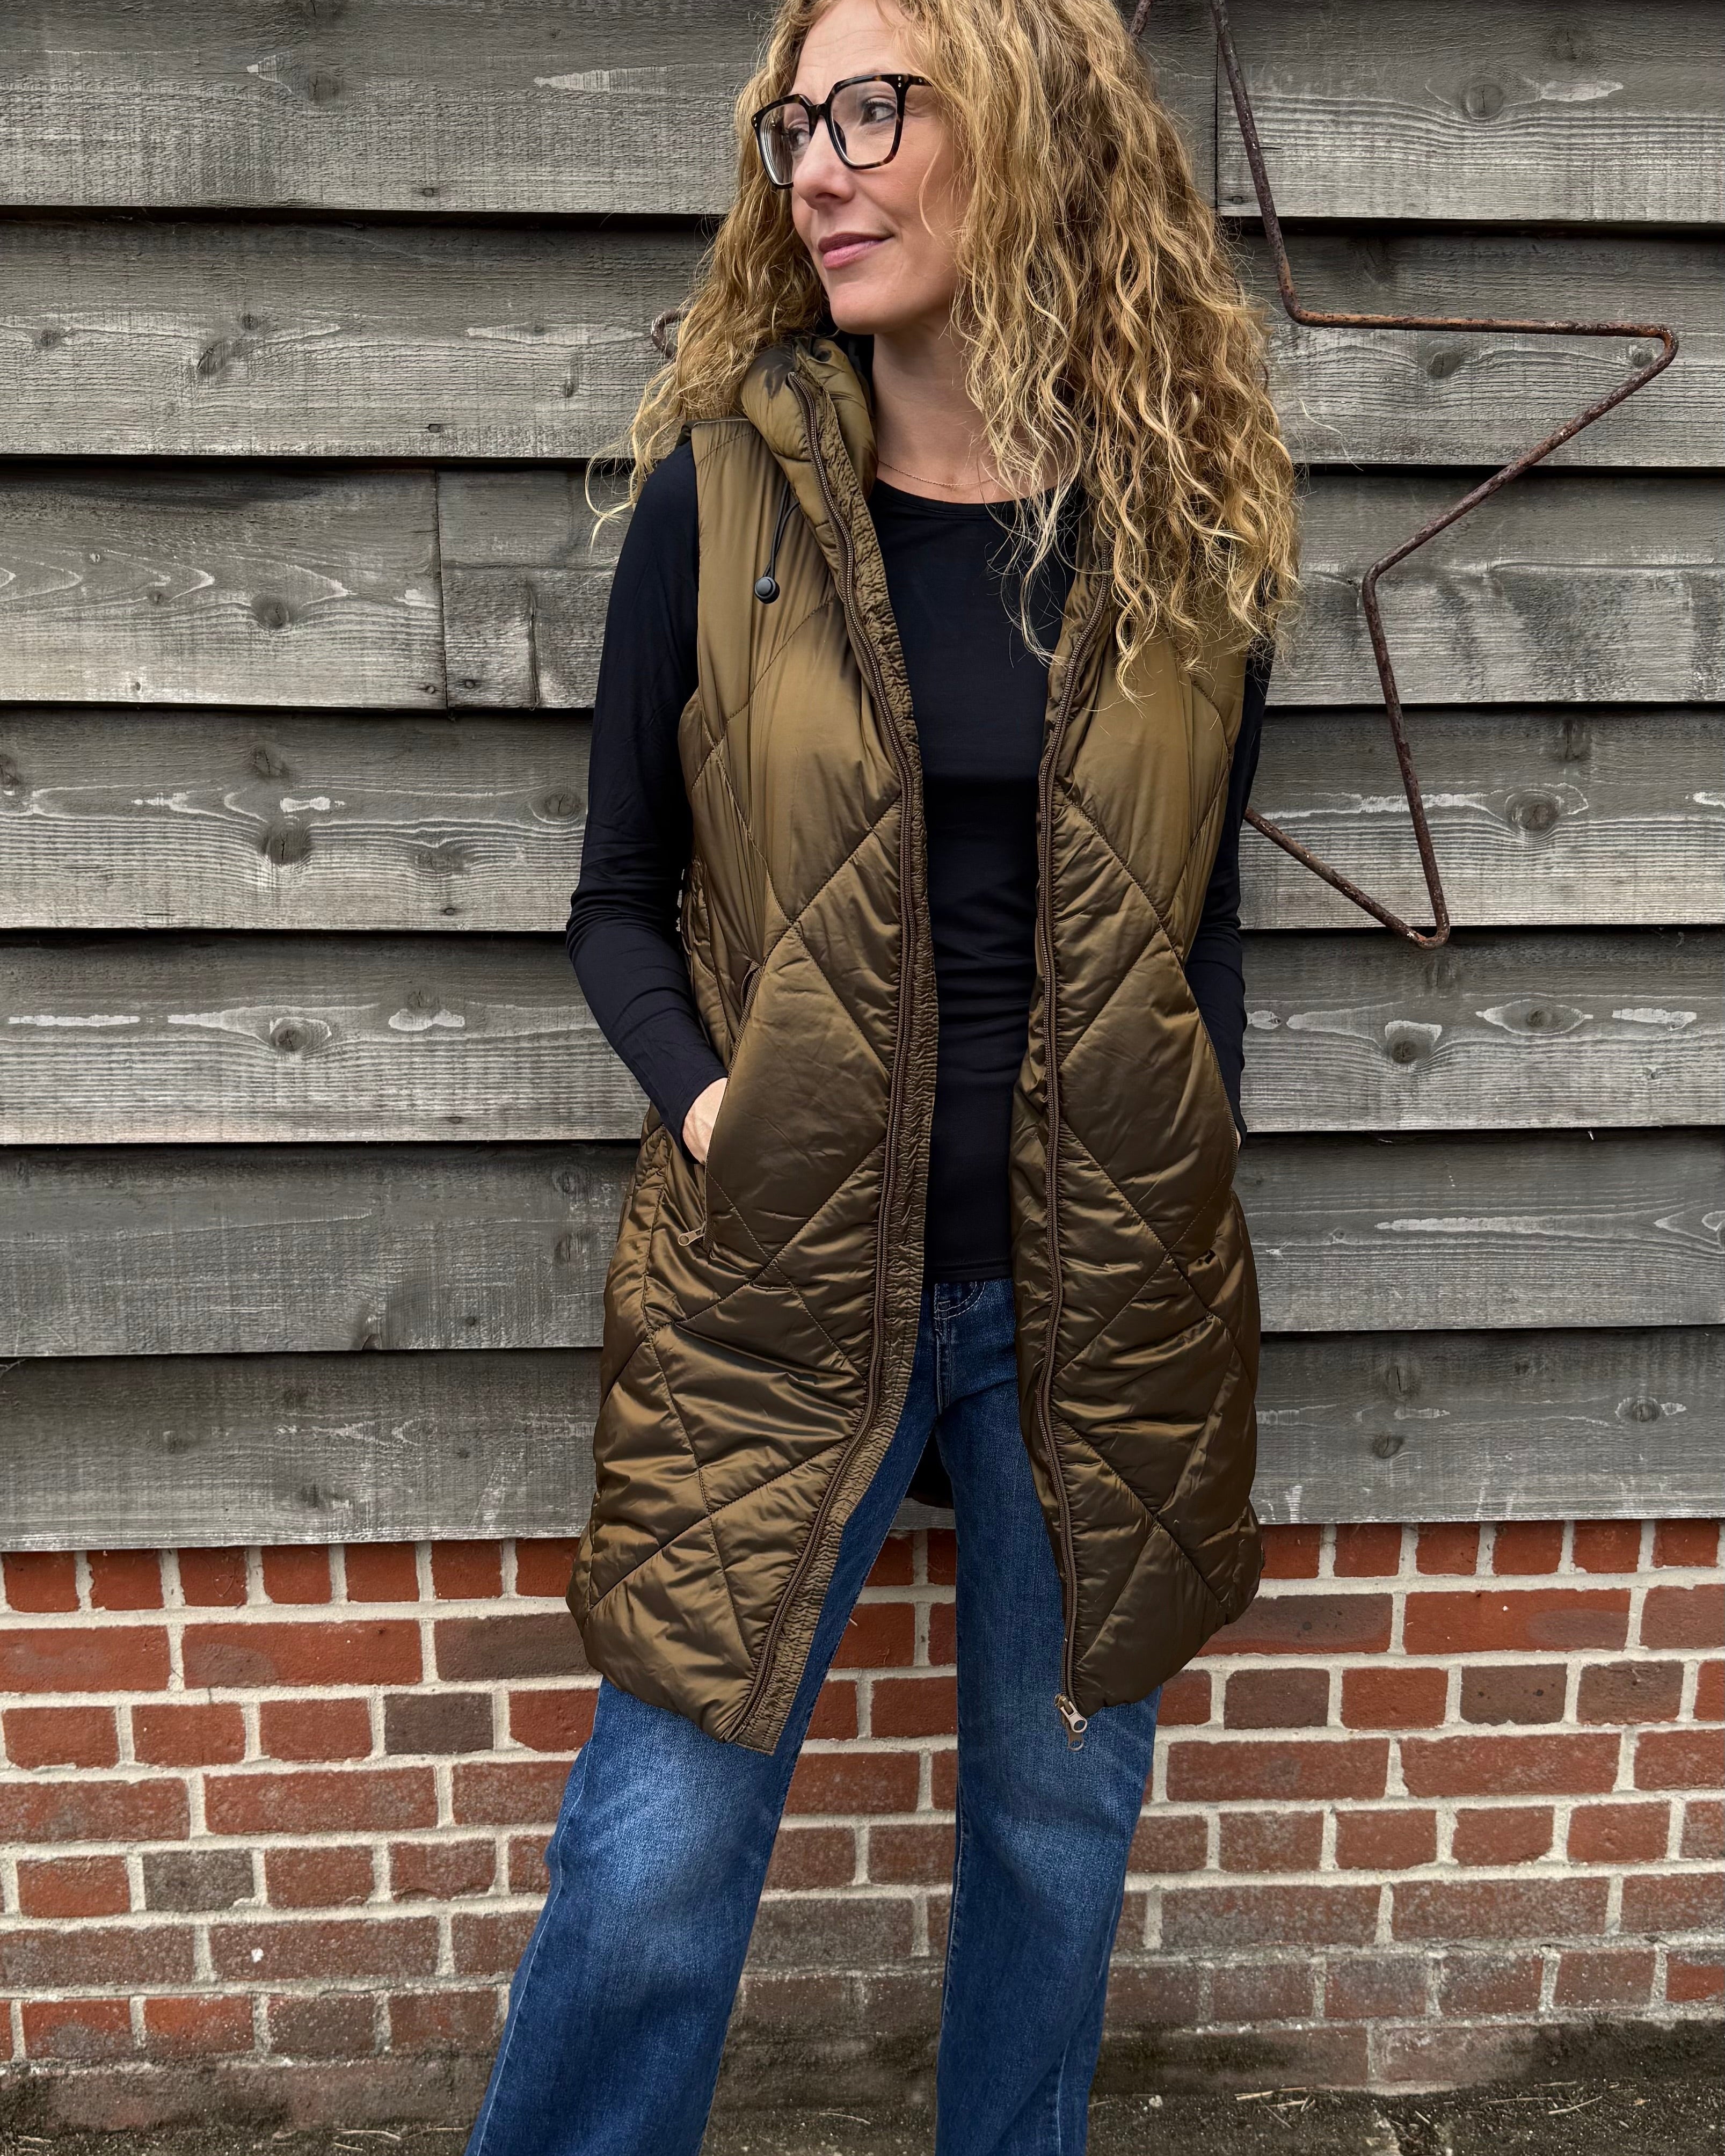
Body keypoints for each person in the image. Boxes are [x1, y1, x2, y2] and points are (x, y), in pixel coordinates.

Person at [465, 0, 1298, 2149]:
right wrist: (720, 1108)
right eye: (790, 130)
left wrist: (1177, 1152)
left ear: (1022, 129)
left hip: (1093, 1295)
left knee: (1051, 1837)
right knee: (652, 1857)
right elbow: (614, 898)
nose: (817, 167)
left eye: (868, 111)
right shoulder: (724, 492)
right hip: (776, 1275)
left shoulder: (1186, 527)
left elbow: (1190, 928)